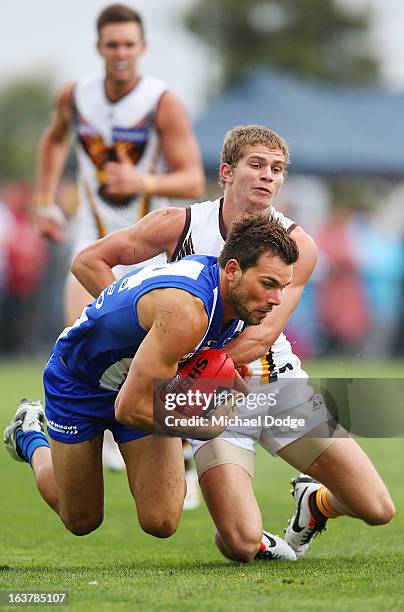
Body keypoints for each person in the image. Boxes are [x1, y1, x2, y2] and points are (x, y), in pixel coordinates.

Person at [71, 124, 395, 562]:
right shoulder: (180, 224)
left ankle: (314, 503)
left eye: (277, 169)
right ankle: (240, 525)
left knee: (377, 508)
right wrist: (149, 336)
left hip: (276, 388)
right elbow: (90, 261)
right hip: (215, 397)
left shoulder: (297, 244)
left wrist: (189, 365)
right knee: (241, 545)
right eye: (256, 165)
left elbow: (262, 335)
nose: (267, 176)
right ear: (226, 171)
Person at [4, 214, 299, 555]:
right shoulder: (189, 310)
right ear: (232, 269)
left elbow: (203, 363)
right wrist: (200, 425)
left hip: (139, 380)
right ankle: (29, 435)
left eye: (283, 287)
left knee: (161, 521)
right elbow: (128, 408)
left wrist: (235, 395)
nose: (277, 299)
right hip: (79, 381)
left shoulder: (238, 303)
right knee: (81, 520)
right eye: (268, 284)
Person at [32, 3, 205, 478]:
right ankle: (95, 439)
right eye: (113, 45)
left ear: (143, 47)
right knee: (84, 343)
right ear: (99, 48)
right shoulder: (76, 95)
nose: (121, 53)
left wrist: (141, 182)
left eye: (130, 44)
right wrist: (45, 200)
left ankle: (180, 451)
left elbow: (192, 179)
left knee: (164, 353)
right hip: (92, 242)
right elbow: (52, 140)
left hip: (149, 252)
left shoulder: (160, 101)